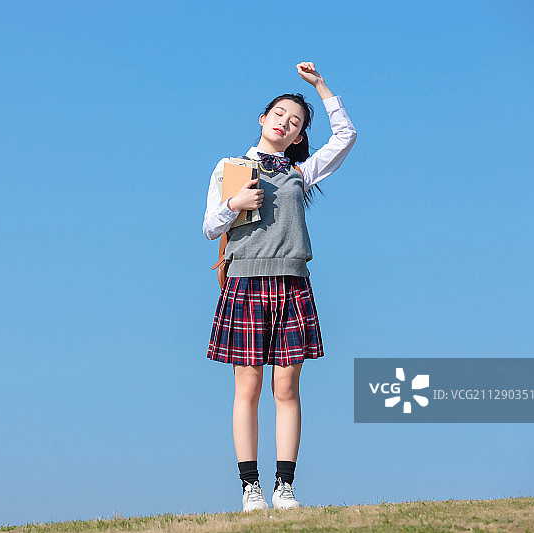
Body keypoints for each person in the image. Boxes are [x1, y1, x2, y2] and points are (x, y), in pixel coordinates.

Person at [202, 61, 357, 512]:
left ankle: (284, 487)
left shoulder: (299, 174)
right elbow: (210, 227)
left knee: (286, 389)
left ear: (297, 137)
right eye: (281, 114)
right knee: (246, 388)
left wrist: (323, 89)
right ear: (262, 119)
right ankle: (250, 488)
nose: (286, 122)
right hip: (245, 282)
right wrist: (235, 203)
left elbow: (345, 138)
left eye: (296, 123)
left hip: (291, 282)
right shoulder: (230, 167)